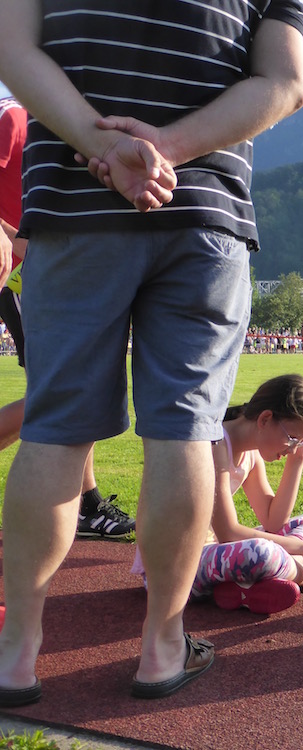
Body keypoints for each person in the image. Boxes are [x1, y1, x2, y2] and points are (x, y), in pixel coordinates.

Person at [0, 0, 303, 704]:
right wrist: (167, 148)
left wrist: (104, 147)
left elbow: (13, 51)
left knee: (55, 428)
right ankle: (161, 649)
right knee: (187, 431)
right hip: (202, 214)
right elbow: (286, 83)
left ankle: (16, 656)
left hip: (76, 208)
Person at [0, 97, 134, 539]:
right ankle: (85, 505)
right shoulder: (15, 115)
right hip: (26, 272)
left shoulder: (78, 118)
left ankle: (87, 503)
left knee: (76, 387)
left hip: (50, 268)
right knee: (66, 391)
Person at [131, 375, 303, 614]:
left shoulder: (250, 455)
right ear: (265, 419)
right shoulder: (213, 445)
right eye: (293, 439)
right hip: (173, 570)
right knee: (261, 552)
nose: (292, 448)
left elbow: (274, 522)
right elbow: (229, 533)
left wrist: (297, 461)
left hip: (216, 556)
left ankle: (244, 588)